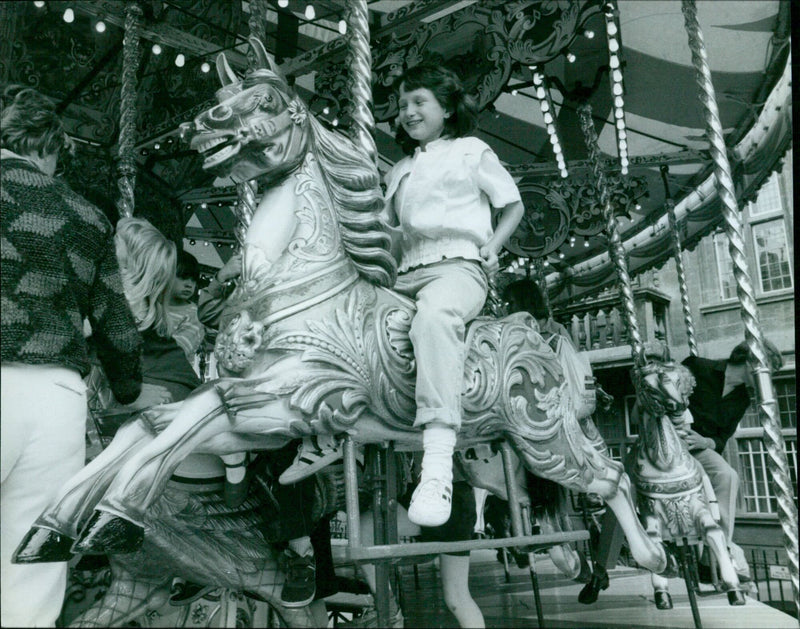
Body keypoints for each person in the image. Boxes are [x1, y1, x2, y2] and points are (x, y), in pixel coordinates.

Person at [280, 63, 524, 529]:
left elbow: (512, 203)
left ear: (447, 108)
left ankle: (437, 459)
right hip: (403, 274)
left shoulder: (471, 151)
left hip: (456, 266)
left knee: (434, 317)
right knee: (342, 324)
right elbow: (388, 234)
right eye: (403, 103)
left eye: (420, 102)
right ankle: (328, 427)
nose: (408, 111)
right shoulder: (400, 171)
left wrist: (492, 244)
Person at [1, 86, 153, 627]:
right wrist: (129, 387)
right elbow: (117, 326)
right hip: (56, 398)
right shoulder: (86, 215)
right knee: (31, 564)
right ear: (49, 146)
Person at [681, 339, 783, 579]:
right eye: (767, 369)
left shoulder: (741, 399)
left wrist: (705, 441)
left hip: (699, 449)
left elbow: (722, 437)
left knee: (727, 475)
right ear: (751, 362)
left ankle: (714, 551)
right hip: (673, 438)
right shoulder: (698, 367)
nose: (767, 377)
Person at [165, 249, 205, 363]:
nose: (189, 284)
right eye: (183, 277)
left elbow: (177, 352)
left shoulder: (194, 316)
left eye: (193, 280)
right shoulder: (153, 306)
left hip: (172, 374)